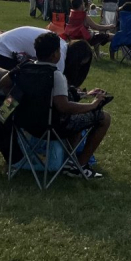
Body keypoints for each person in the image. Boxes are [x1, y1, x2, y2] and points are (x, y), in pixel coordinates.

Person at [33, 32, 109, 179]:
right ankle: (79, 165)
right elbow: (64, 107)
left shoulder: (23, 70)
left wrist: (85, 95)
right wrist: (93, 105)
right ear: (56, 54)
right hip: (52, 127)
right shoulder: (56, 75)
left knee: (78, 119)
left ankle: (70, 160)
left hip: (28, 123)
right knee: (104, 118)